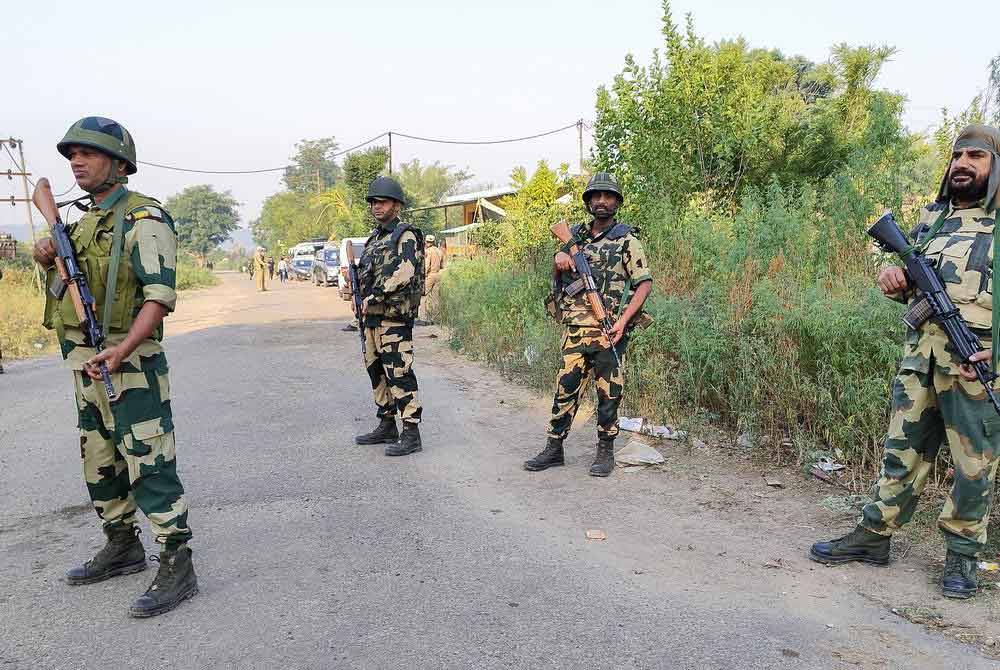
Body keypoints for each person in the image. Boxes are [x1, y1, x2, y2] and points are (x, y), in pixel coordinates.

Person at [810, 124, 1000, 600]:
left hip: (973, 368)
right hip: (920, 362)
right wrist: (894, 280)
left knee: (973, 468)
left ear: (994, 166)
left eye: (976, 157)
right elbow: (918, 293)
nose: (963, 164)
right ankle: (874, 537)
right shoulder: (930, 223)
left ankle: (962, 558)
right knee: (901, 454)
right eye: (958, 156)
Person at [32, 116, 197, 617]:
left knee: (149, 462)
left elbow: (159, 297)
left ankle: (177, 561)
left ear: (120, 163)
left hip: (131, 363)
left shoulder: (144, 219)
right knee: (100, 461)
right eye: (71, 155)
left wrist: (123, 350)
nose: (76, 162)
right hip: (86, 362)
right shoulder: (80, 223)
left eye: (88, 154)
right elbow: (73, 283)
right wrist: (47, 257)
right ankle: (122, 544)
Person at [524, 172, 653, 478]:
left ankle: (605, 451)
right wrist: (560, 255)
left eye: (608, 196)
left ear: (617, 202)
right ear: (588, 202)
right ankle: (553, 448)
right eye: (596, 196)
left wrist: (622, 322)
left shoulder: (627, 240)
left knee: (609, 394)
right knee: (564, 389)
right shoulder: (575, 237)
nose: (601, 201)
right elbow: (559, 273)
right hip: (575, 328)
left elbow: (644, 284)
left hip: (610, 330)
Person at [354, 176, 425, 456]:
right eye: (373, 202)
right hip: (371, 318)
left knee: (399, 373)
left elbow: (406, 272)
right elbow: (367, 273)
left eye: (382, 201)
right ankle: (386, 423)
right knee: (376, 371)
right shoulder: (375, 238)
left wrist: (377, 294)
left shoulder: (405, 235)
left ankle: (411, 432)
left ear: (396, 205)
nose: (376, 206)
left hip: (394, 318)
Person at [416, 235, 445, 326]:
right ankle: (436, 318)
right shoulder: (439, 251)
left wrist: (422, 276)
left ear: (426, 241)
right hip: (438, 275)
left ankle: (423, 319)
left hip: (430, 275)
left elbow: (426, 265)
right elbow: (442, 266)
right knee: (436, 298)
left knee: (423, 297)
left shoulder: (428, 251)